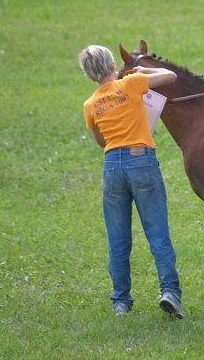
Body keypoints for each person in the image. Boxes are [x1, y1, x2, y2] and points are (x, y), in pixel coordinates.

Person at [79, 45, 185, 319]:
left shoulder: (90, 104)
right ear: (113, 64)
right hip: (142, 162)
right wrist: (142, 70)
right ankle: (170, 293)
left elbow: (101, 140)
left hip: (113, 167)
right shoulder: (132, 83)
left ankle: (121, 303)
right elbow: (170, 76)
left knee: (118, 239)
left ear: (90, 77)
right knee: (158, 233)